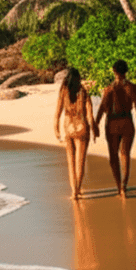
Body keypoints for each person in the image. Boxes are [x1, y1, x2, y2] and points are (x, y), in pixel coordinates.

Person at [94, 59, 136, 198]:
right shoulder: (132, 88)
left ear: (114, 71)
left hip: (112, 123)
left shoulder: (109, 89)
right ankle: (124, 185)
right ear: (126, 71)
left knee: (113, 157)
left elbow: (102, 109)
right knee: (125, 154)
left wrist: (96, 125)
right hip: (127, 122)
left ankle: (118, 187)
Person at [54, 68, 96, 200]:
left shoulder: (63, 91)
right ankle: (77, 189)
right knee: (80, 162)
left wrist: (56, 129)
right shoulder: (83, 91)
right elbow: (89, 113)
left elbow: (57, 113)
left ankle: (74, 192)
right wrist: (94, 129)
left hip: (68, 126)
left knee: (70, 163)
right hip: (81, 125)